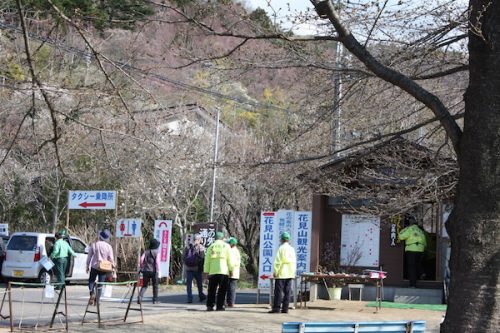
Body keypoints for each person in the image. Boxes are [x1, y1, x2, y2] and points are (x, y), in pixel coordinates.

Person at [203, 231, 232, 311]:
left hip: (212, 271)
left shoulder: (211, 246)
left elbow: (207, 260)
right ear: (222, 238)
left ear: (215, 238)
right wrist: (231, 269)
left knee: (212, 289)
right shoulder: (226, 246)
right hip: (223, 271)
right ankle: (220, 306)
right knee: (222, 290)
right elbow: (230, 259)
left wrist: (206, 271)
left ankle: (210, 306)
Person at [269, 232, 296, 314]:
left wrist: (275, 271)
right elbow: (294, 261)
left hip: (281, 273)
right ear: (288, 239)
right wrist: (293, 272)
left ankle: (276, 308)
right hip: (289, 273)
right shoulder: (292, 249)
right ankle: (285, 309)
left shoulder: (281, 248)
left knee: (278, 291)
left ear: (282, 239)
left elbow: (278, 262)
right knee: (287, 292)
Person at [86, 229, 115, 304]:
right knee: (100, 283)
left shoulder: (94, 244)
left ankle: (92, 293)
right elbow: (111, 259)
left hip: (94, 266)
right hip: (104, 267)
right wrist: (113, 267)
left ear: (100, 236)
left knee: (91, 280)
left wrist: (87, 266)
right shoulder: (109, 247)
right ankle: (97, 300)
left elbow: (89, 256)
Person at [398, 217, 427, 287]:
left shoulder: (409, 229)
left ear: (410, 223)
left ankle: (412, 284)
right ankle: (421, 272)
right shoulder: (420, 231)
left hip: (411, 249)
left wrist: (404, 229)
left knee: (411, 267)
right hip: (421, 249)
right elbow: (425, 243)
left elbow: (401, 236)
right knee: (417, 263)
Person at [183, 234, 206, 303]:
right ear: (199, 240)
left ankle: (190, 298)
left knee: (189, 284)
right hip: (197, 269)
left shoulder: (187, 247)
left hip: (189, 269)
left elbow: (183, 257)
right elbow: (202, 258)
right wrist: (202, 269)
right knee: (199, 284)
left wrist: (186, 264)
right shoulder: (201, 247)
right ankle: (201, 296)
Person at [138, 238, 162, 304]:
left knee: (144, 285)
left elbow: (141, 259)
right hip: (154, 271)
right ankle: (155, 300)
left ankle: (140, 297)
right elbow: (157, 262)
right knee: (155, 286)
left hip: (145, 270)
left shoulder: (146, 252)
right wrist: (158, 270)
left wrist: (141, 266)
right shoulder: (157, 252)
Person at [225, 237, 241, 307]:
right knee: (232, 288)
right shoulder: (236, 251)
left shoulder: (231, 251)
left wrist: (230, 270)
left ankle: (229, 302)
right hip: (234, 272)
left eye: (229, 243)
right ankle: (230, 302)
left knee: (229, 288)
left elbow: (231, 262)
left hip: (231, 271)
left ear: (231, 244)